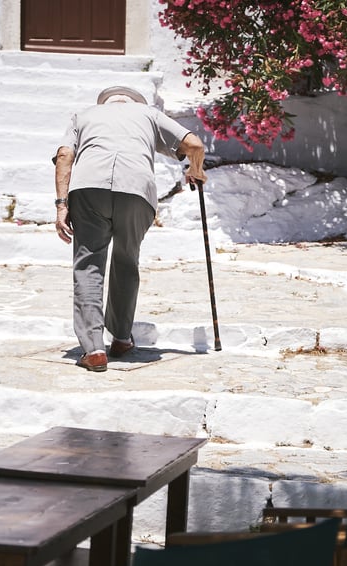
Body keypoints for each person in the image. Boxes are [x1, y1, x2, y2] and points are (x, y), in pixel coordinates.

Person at [53, 85, 206, 372]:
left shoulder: (84, 115)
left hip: (88, 189)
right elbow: (194, 145)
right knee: (126, 260)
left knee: (88, 264)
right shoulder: (148, 114)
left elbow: (64, 156)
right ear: (135, 102)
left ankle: (94, 349)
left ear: (106, 103)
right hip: (136, 191)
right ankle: (121, 338)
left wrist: (62, 204)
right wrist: (195, 170)